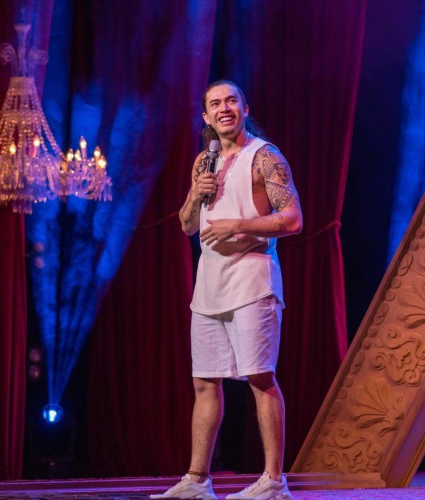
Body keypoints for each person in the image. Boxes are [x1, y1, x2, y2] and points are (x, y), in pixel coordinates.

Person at [152, 80, 302, 500]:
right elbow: (186, 225)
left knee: (260, 377)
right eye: (215, 103)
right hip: (209, 286)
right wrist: (195, 196)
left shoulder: (265, 156)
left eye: (231, 101)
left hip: (252, 280)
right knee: (204, 381)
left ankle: (274, 482)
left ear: (244, 108)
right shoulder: (205, 160)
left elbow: (293, 219)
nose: (224, 108)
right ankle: (197, 481)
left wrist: (238, 224)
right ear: (206, 116)